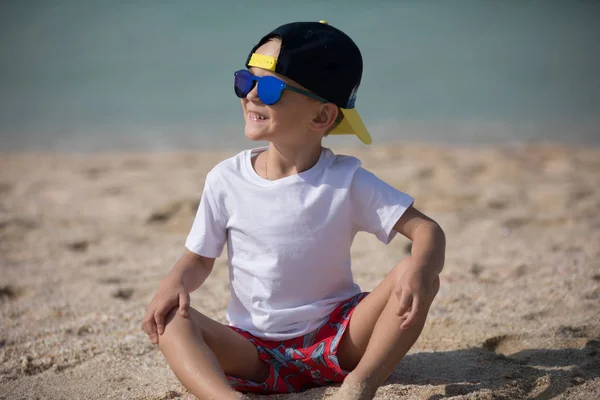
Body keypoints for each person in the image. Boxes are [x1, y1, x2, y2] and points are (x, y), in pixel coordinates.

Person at [142, 21, 445, 400]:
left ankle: (360, 384)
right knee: (171, 320)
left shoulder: (345, 179)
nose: (251, 95)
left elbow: (428, 231)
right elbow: (199, 259)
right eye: (244, 81)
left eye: (269, 87)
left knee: (415, 273)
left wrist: (421, 269)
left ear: (321, 117)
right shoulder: (226, 179)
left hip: (340, 337)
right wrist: (174, 283)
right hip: (252, 349)